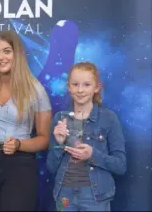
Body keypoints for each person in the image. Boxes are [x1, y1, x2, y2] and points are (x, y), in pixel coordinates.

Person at [0, 30, 52, 211]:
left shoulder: (36, 90)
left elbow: (44, 139)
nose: (1, 57)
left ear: (17, 54)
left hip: (20, 165)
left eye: (6, 51)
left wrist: (19, 144)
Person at [46, 62, 127, 211]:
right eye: (75, 84)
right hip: (64, 195)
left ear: (97, 87)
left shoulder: (109, 118)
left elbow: (120, 165)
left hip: (96, 197)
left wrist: (92, 155)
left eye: (86, 85)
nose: (80, 90)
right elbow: (51, 167)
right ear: (69, 87)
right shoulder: (60, 118)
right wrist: (59, 143)